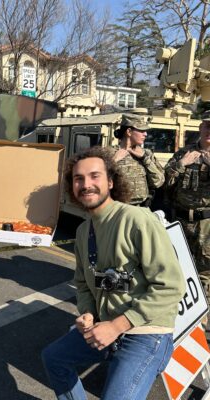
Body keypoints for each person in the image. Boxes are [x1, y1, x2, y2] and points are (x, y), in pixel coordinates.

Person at [41, 146, 185, 400]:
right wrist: (87, 313)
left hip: (145, 333)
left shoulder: (138, 220)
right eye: (78, 178)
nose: (86, 184)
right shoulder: (84, 232)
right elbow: (83, 284)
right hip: (105, 325)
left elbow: (171, 286)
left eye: (95, 176)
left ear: (110, 181)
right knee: (54, 358)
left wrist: (117, 326)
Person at [164, 111, 210, 304]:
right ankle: (181, 306)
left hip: (206, 222)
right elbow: (165, 178)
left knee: (205, 270)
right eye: (207, 126)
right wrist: (182, 163)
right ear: (200, 128)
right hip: (181, 219)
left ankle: (202, 312)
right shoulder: (185, 152)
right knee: (178, 265)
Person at [111, 114, 164, 206]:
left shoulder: (146, 154)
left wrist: (145, 159)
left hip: (142, 209)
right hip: (118, 209)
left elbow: (158, 182)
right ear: (129, 131)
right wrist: (114, 161)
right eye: (142, 131)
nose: (145, 134)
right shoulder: (109, 153)